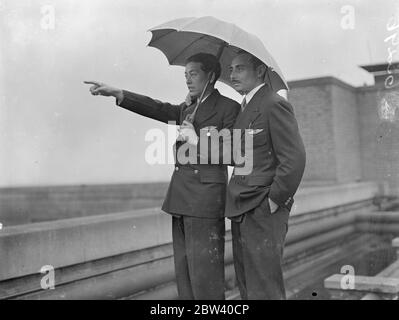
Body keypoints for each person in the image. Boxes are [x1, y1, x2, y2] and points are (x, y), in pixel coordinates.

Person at [84, 53, 240, 300]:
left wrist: (197, 140)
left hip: (205, 203)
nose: (188, 80)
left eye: (194, 74)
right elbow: (158, 108)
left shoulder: (229, 108)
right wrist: (119, 93)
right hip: (180, 199)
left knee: (206, 278)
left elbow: (236, 153)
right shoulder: (189, 107)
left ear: (211, 76)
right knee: (185, 275)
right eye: (185, 75)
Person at [225, 50, 306, 299]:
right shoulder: (245, 108)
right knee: (248, 284)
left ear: (260, 71)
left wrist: (273, 200)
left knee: (264, 288)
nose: (232, 74)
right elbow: (242, 157)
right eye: (231, 69)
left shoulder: (273, 103)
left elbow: (294, 159)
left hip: (262, 208)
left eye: (239, 68)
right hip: (241, 207)